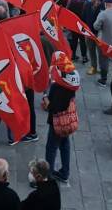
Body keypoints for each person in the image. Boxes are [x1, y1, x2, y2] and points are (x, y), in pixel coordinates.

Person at [42, 50, 77, 184]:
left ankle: (47, 175)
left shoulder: (58, 86)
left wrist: (45, 99)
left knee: (51, 147)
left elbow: (53, 107)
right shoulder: (71, 82)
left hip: (57, 122)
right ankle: (65, 172)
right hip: (68, 121)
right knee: (64, 145)